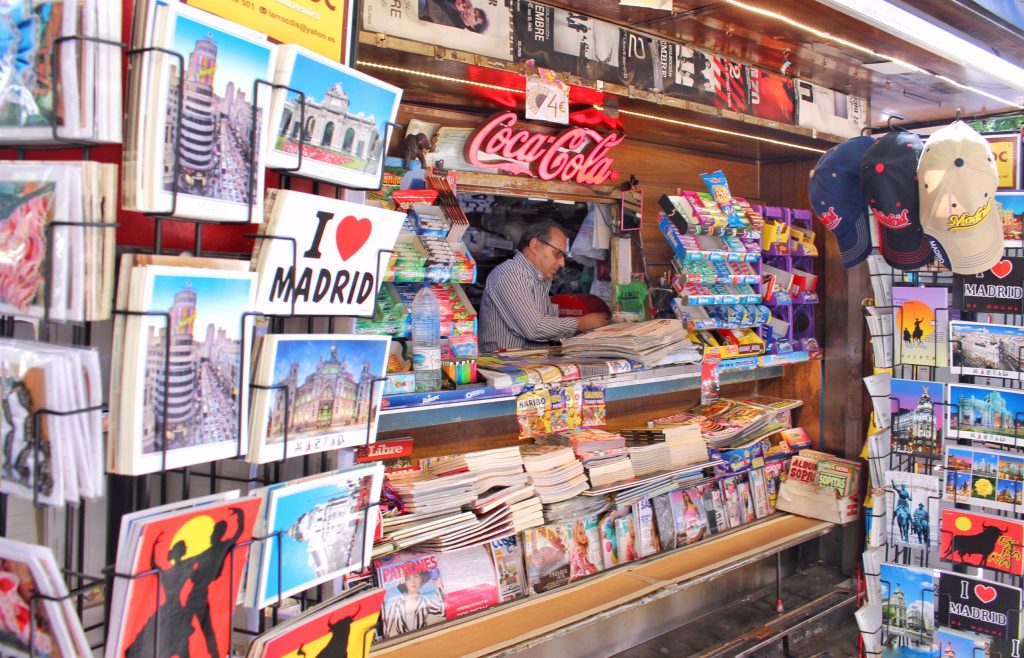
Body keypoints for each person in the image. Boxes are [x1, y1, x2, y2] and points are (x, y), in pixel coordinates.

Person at [480, 221, 609, 352]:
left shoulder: (541, 280)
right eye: (558, 254)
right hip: (505, 368)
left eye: (563, 256)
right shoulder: (509, 275)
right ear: (535, 245)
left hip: (533, 364)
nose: (562, 263)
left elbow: (546, 329)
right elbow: (534, 328)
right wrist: (582, 323)